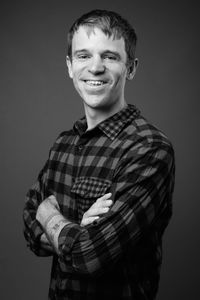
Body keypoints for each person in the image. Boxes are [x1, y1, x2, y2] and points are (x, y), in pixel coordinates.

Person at [23, 9, 175, 300]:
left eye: (110, 56)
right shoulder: (63, 143)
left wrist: (49, 215)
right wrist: (78, 230)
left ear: (131, 67)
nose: (95, 68)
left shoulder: (150, 149)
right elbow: (29, 229)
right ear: (69, 66)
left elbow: (90, 256)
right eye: (83, 56)